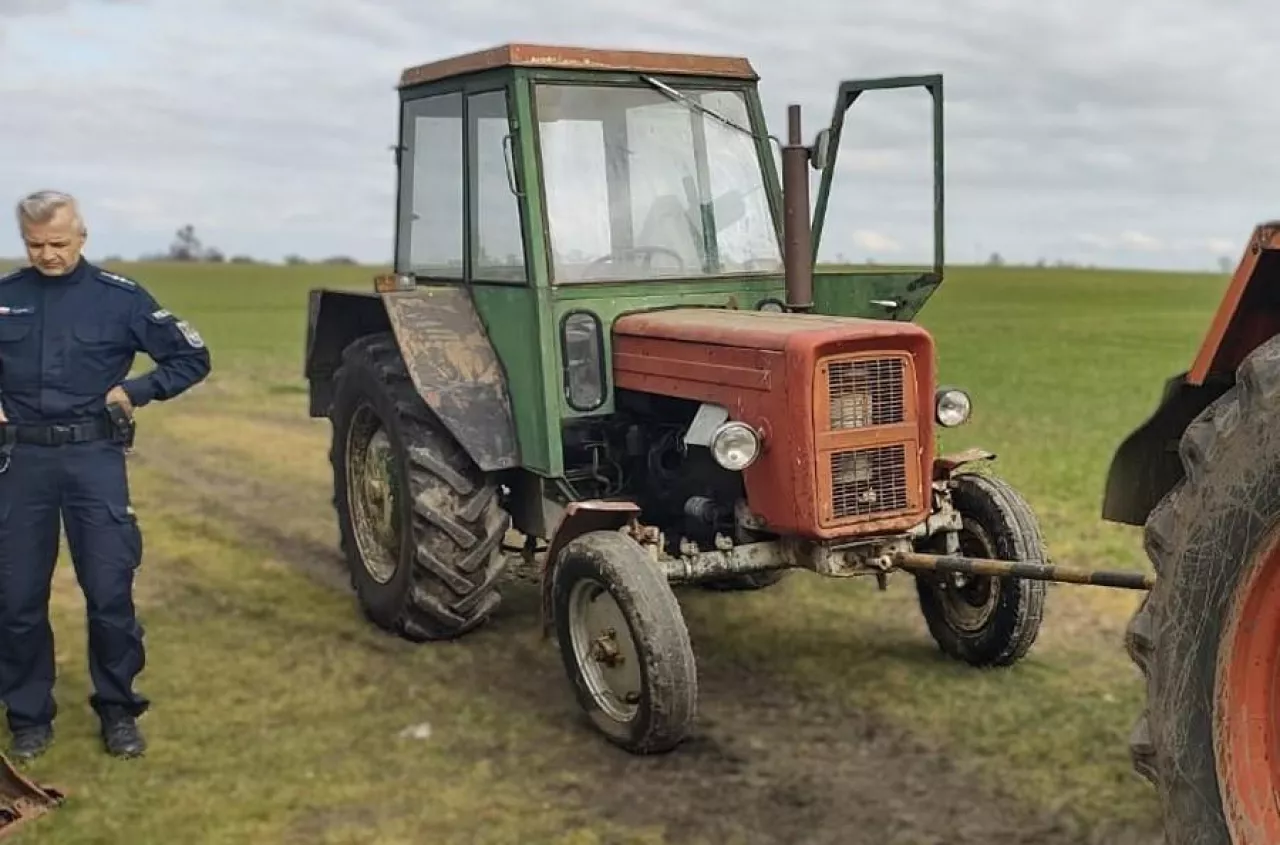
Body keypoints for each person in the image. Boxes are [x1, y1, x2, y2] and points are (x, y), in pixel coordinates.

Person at [0, 190, 211, 761]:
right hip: (19, 464)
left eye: (59, 244)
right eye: (35, 245)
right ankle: (27, 717)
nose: (47, 255)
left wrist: (137, 391)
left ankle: (118, 711)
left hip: (94, 461)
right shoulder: (5, 298)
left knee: (110, 593)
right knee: (16, 599)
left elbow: (192, 357)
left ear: (82, 236)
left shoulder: (120, 298)